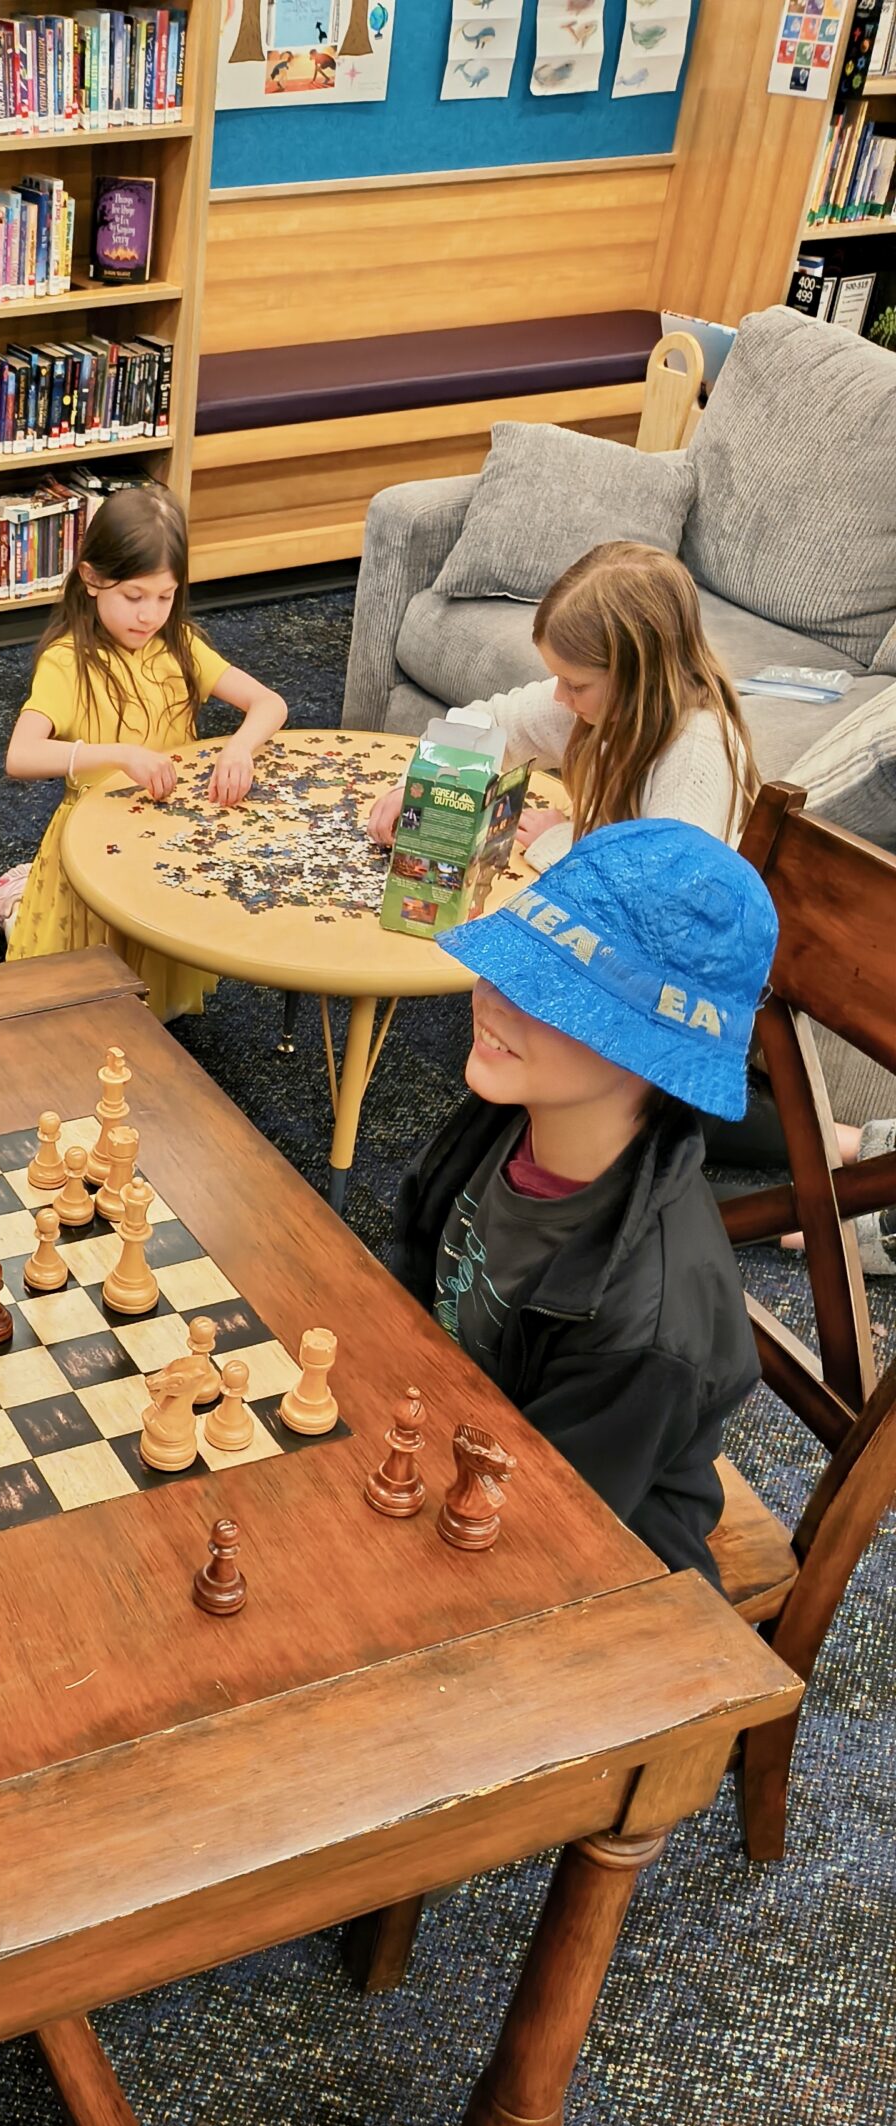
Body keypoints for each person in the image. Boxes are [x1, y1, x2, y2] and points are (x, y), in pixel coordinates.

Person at [387, 815, 779, 1586]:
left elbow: (540, 1530)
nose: (494, 997)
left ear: (649, 1053)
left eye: (547, 992)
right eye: (504, 966)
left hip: (587, 1557)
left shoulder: (650, 1331)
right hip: (454, 1428)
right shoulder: (511, 1108)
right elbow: (412, 1259)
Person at [0, 482, 288, 1018]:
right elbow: (20, 756)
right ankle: (12, 904)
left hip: (165, 837)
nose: (149, 615)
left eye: (165, 596)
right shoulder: (67, 661)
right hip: (92, 842)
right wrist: (118, 755)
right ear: (91, 578)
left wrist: (240, 749)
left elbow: (269, 703)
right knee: (81, 996)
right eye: (134, 597)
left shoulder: (179, 645)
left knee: (155, 1001)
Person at [367, 541, 759, 867]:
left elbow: (659, 893)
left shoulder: (696, 754)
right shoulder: (605, 705)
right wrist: (423, 785)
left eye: (575, 684)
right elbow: (490, 723)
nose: (559, 696)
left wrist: (562, 842)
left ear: (639, 678)